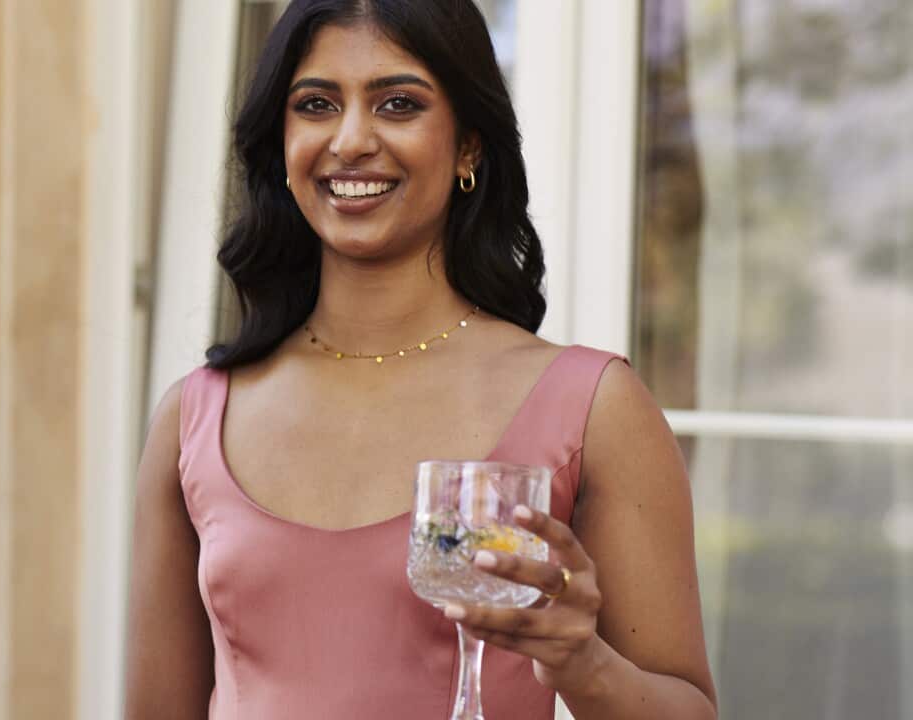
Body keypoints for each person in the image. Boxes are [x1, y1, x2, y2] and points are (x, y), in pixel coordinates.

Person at [125, 1, 718, 718]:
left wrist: (581, 661)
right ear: (281, 143)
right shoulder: (195, 417)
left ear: (469, 146)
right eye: (316, 105)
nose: (350, 140)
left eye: (398, 104)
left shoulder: (592, 407)